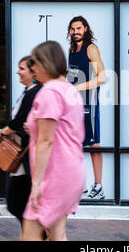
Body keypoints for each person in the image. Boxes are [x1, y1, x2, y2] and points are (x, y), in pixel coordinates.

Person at [22, 40, 86, 241]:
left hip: (55, 175)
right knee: (56, 235)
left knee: (30, 235)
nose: (32, 69)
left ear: (45, 64)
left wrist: (36, 183)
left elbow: (46, 141)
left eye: (34, 64)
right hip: (71, 172)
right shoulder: (69, 89)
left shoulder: (49, 92)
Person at [0, 56, 42, 236]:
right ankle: (33, 234)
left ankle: (36, 235)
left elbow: (20, 123)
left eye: (22, 68)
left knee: (16, 203)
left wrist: (0, 133)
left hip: (27, 158)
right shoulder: (27, 91)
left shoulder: (35, 93)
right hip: (21, 157)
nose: (18, 72)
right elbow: (15, 124)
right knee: (18, 204)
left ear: (33, 72)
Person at [67, 16, 106, 200]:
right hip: (75, 105)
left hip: (89, 103)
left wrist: (78, 88)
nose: (75, 32)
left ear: (85, 28)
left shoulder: (91, 49)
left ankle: (98, 187)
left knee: (94, 144)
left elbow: (102, 77)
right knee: (76, 144)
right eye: (73, 29)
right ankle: (79, 184)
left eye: (79, 28)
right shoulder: (72, 50)